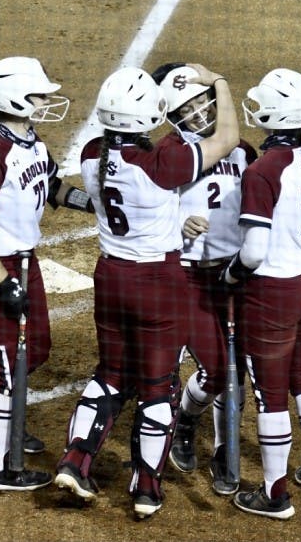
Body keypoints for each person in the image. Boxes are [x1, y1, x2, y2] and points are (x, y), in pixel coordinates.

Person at [53, 64, 239, 519]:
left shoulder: (93, 154)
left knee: (111, 373)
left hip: (110, 276)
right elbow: (228, 137)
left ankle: (76, 461)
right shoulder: (163, 162)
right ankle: (146, 486)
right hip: (157, 282)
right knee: (159, 385)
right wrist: (219, 82)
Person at [0, 56, 93, 492]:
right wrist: (4, 283)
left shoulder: (31, 142)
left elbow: (52, 188)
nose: (46, 101)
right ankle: (0, 468)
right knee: (7, 367)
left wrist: (97, 205)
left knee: (37, 350)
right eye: (38, 94)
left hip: (23, 262)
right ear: (13, 97)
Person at [222, 68, 301, 519]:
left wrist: (231, 275)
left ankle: (273, 494)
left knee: (270, 394)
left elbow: (252, 253)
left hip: (274, 290)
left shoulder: (263, 170)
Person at [151, 62, 257, 496]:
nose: (197, 116)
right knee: (216, 368)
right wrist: (179, 225)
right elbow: (148, 216)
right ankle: (187, 419)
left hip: (235, 274)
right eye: (186, 111)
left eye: (201, 104)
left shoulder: (243, 151)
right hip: (189, 276)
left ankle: (223, 450)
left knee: (238, 370)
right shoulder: (169, 156)